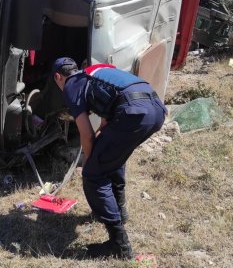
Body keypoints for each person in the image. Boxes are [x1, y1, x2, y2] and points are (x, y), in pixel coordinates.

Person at [51, 57, 167, 259]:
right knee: (112, 159)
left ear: (58, 77)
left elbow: (85, 134)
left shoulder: (71, 85)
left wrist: (89, 160)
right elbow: (108, 117)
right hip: (154, 107)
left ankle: (118, 244)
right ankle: (120, 213)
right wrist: (99, 147)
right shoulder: (96, 72)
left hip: (134, 112)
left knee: (94, 175)